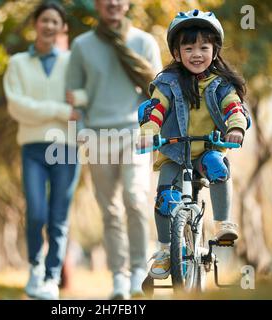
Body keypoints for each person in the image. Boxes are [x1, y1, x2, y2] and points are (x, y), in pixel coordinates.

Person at [138, 9, 251, 280]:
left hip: (207, 149)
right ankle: (165, 250)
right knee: (165, 198)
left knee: (219, 166)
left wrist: (235, 126)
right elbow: (155, 109)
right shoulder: (167, 83)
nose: (196, 54)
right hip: (175, 152)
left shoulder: (221, 84)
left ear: (215, 50)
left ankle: (223, 223)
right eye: (188, 48)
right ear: (177, 53)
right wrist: (148, 131)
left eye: (203, 47)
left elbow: (233, 107)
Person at [66, 0, 162, 299]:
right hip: (97, 136)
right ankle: (119, 277)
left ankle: (137, 272)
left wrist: (151, 129)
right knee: (110, 211)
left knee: (135, 199)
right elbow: (74, 97)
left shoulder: (144, 42)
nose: (112, 3)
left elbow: (159, 93)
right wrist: (80, 133)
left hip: (135, 135)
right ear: (97, 4)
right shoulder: (81, 46)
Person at [3, 1, 86, 300]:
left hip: (67, 148)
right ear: (35, 23)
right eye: (44, 20)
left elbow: (85, 98)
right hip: (33, 148)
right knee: (36, 213)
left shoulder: (72, 61)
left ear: (62, 28)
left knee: (58, 218)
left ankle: (52, 279)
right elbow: (17, 107)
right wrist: (61, 110)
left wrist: (74, 104)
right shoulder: (17, 65)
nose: (49, 26)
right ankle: (35, 268)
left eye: (55, 21)